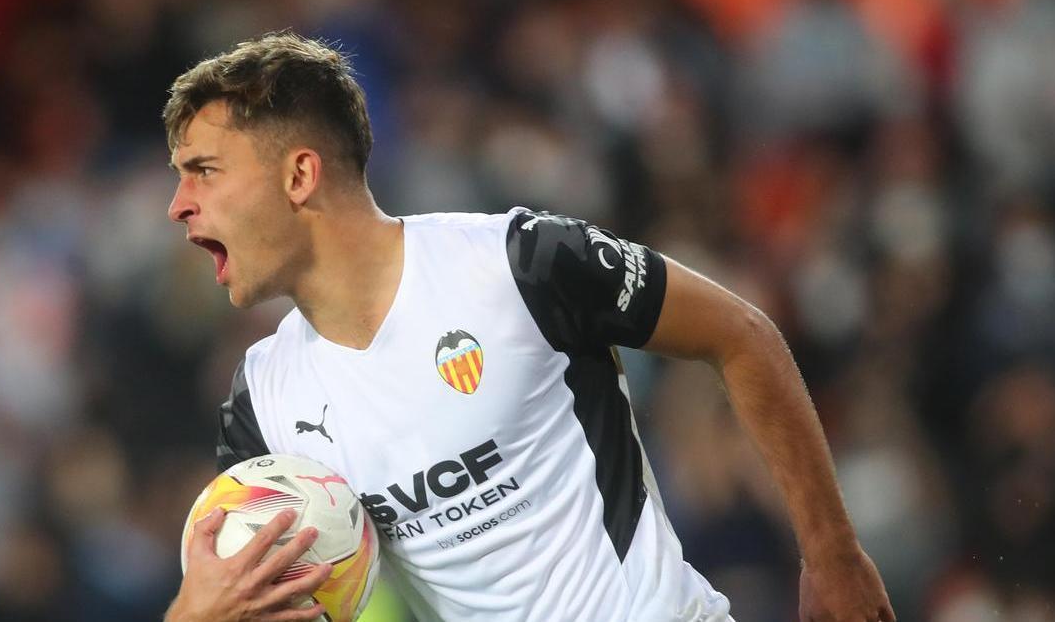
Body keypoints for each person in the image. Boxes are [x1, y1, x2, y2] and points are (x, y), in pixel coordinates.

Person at [162, 31, 895, 622]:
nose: (179, 204)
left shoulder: (518, 262)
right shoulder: (263, 404)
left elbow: (741, 333)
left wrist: (832, 554)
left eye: (204, 170)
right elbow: (261, 595)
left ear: (299, 176)